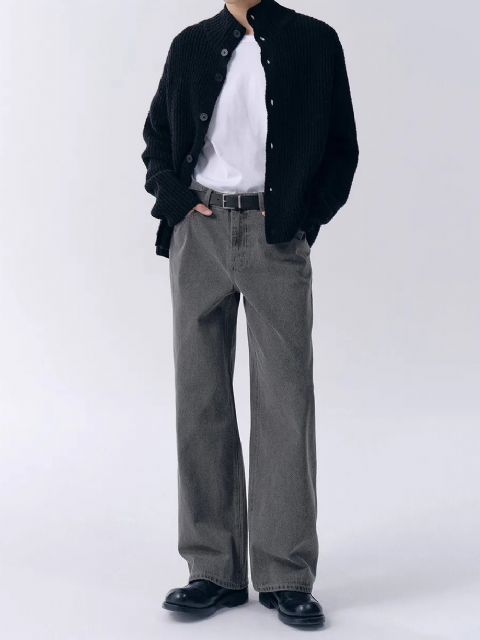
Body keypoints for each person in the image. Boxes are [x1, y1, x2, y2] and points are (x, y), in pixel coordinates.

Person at [141, 0, 358, 628]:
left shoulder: (314, 41)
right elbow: (156, 138)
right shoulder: (190, 45)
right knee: (200, 397)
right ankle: (212, 568)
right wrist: (176, 200)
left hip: (276, 235)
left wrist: (302, 220)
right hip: (199, 233)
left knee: (286, 402)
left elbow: (341, 148)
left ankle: (286, 574)